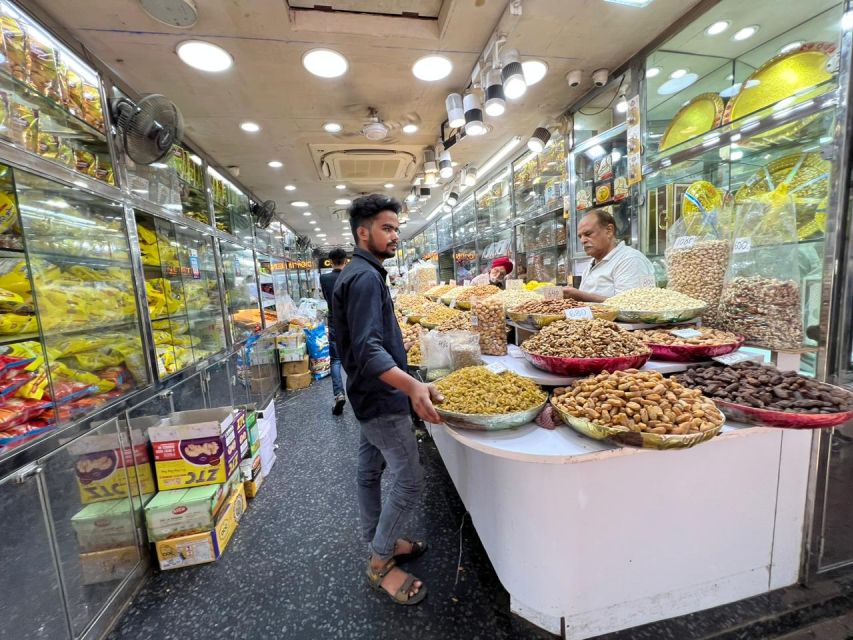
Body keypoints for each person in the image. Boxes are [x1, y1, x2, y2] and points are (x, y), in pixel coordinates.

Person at [332, 194, 443, 606]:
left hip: (365, 391)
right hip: (380, 396)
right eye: (386, 228)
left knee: (368, 470)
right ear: (363, 232)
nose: (395, 235)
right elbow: (368, 348)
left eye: (396, 228)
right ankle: (380, 562)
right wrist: (412, 386)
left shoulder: (363, 273)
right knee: (410, 481)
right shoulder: (363, 278)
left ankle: (381, 539)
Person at [563, 209, 654, 302]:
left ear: (609, 231)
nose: (582, 240)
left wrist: (579, 295)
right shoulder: (592, 263)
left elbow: (631, 305)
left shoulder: (630, 260)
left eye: (588, 234)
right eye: (580, 236)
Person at [320, 248, 348, 415]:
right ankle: (358, 392)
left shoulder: (324, 278)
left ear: (330, 261)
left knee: (336, 360)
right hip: (352, 322)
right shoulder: (350, 276)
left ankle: (339, 394)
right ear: (346, 260)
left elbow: (325, 296)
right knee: (355, 357)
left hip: (334, 322)